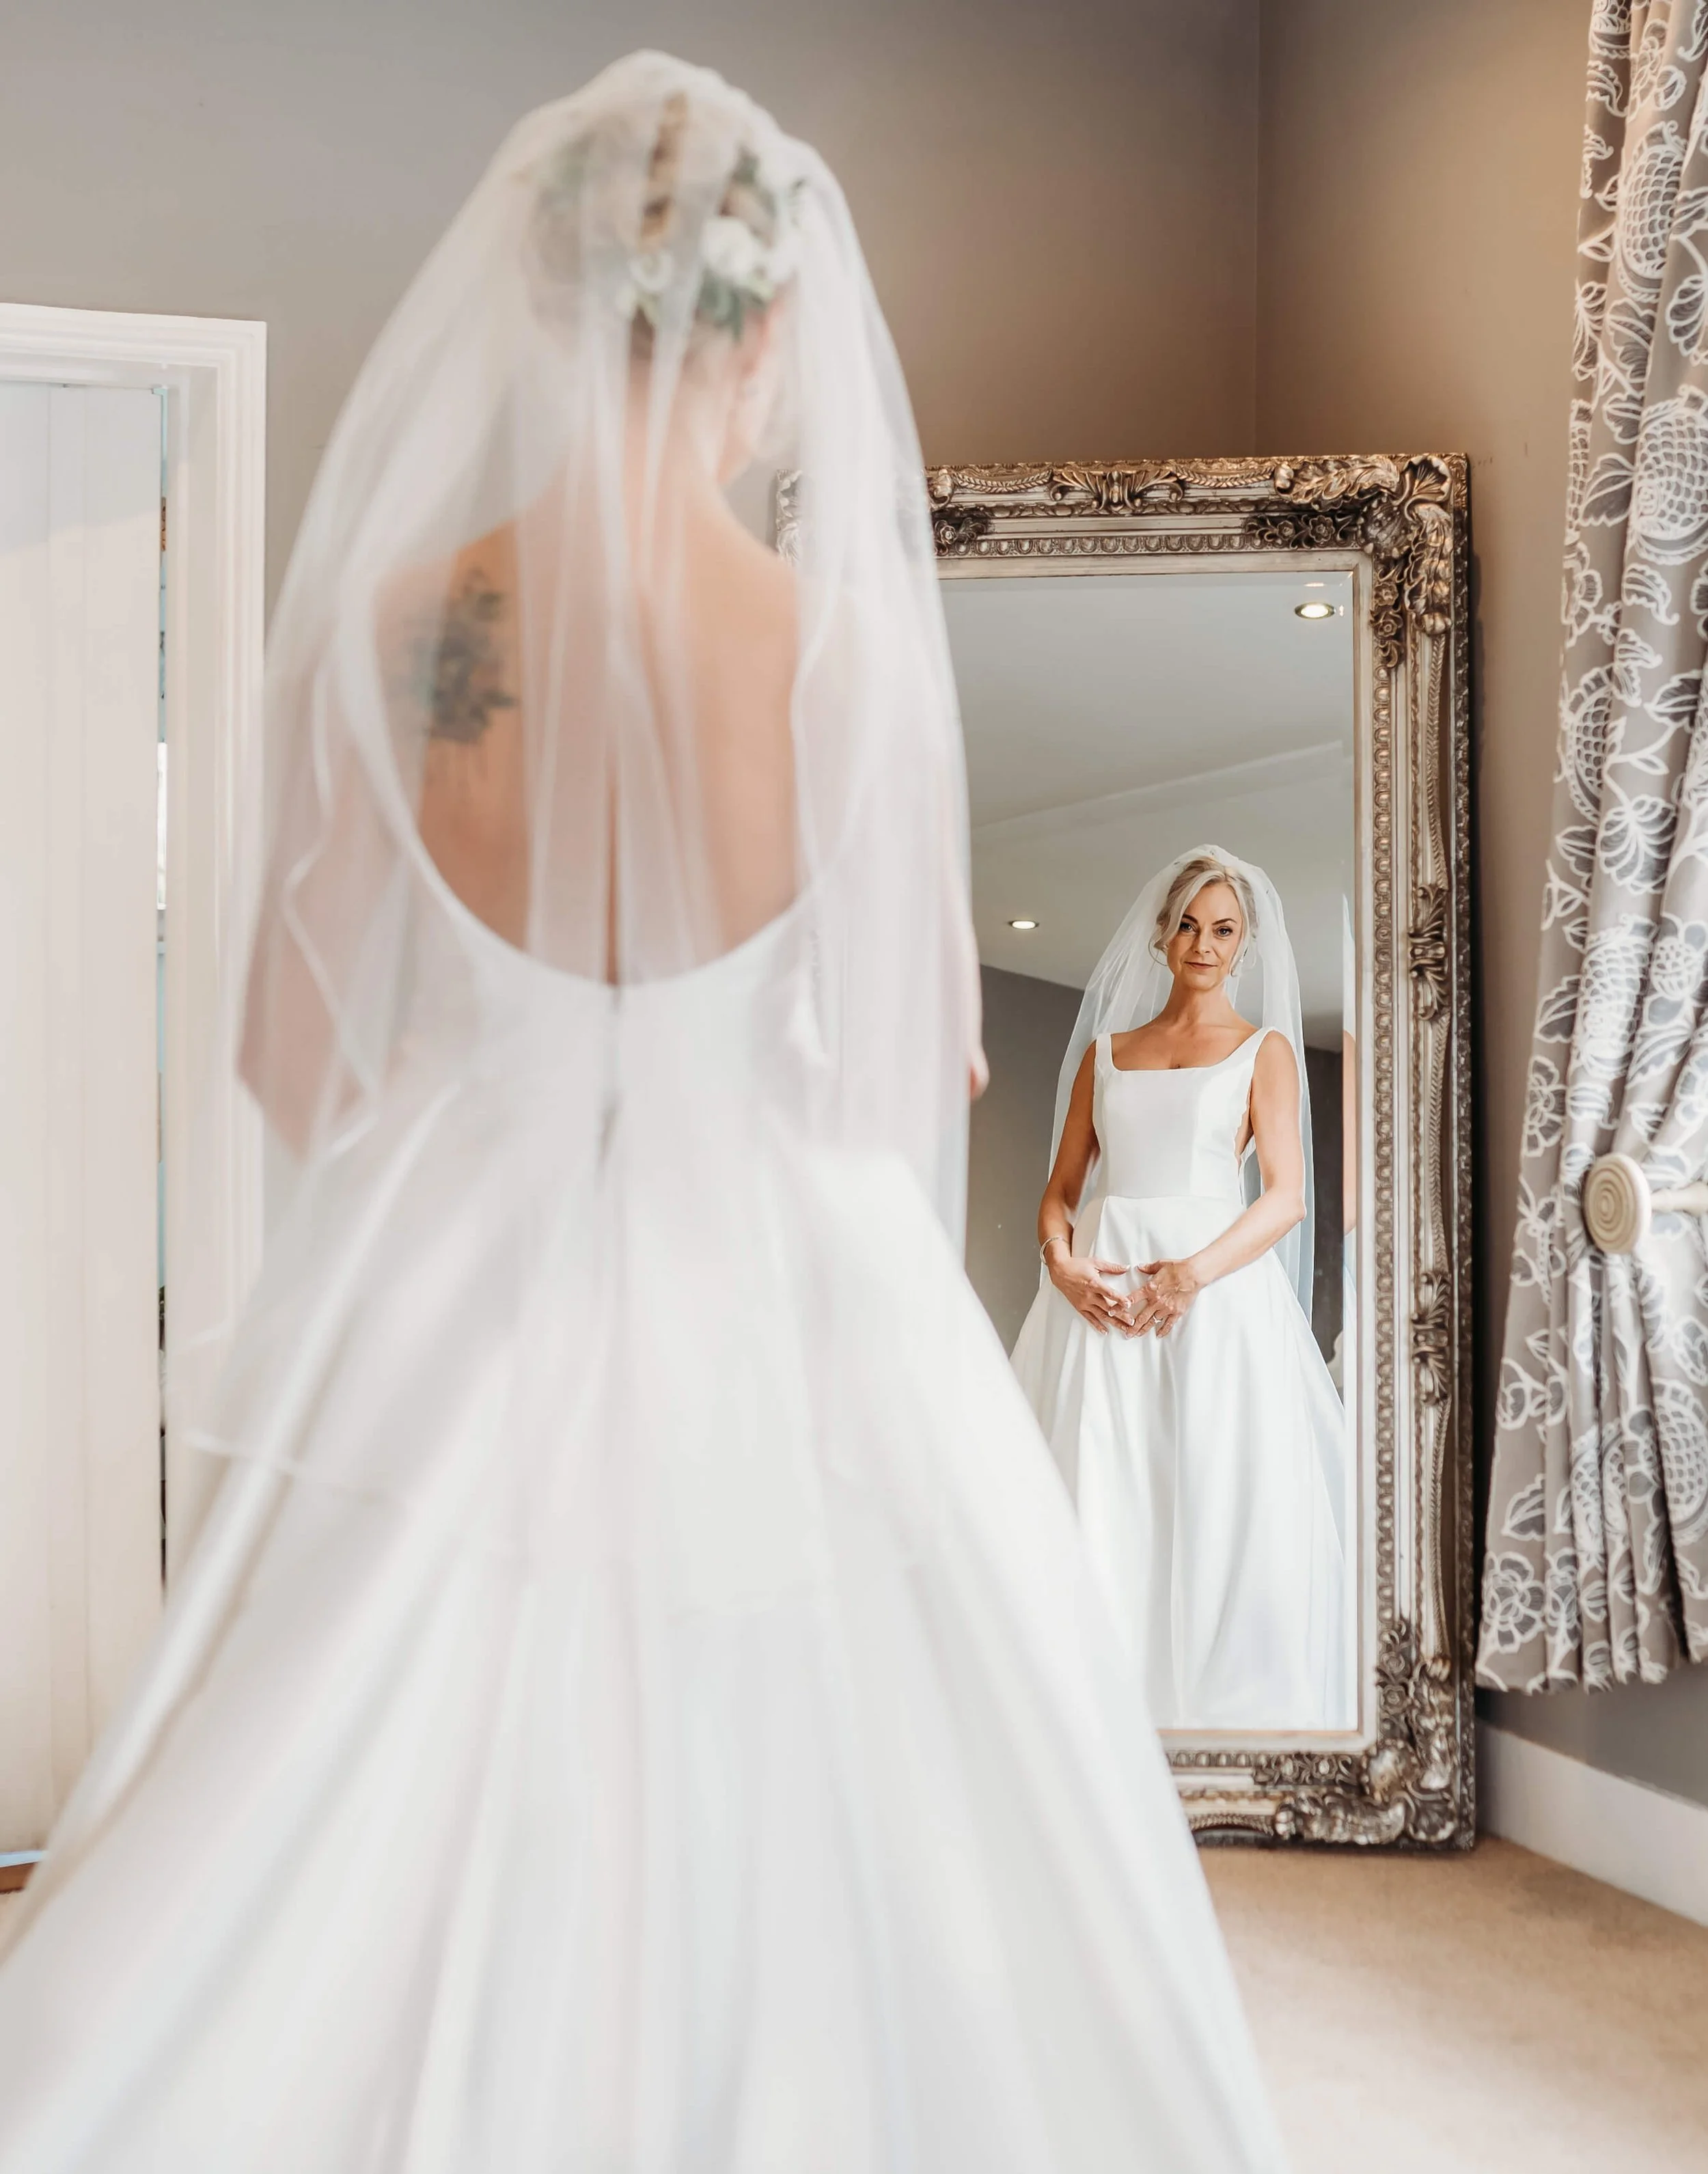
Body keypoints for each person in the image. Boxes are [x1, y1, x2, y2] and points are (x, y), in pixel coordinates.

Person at [0, 61, 1287, 2173]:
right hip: (770, 1287)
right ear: (772, 338)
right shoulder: (833, 658)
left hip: (463, 1288)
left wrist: (495, 1061)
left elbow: (289, 1054)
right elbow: (906, 1079)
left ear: (532, 289)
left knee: (357, 1771)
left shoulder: (419, 631)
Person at [1013, 848, 1351, 1732]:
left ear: (1246, 944)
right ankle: (1095, 1716)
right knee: (1104, 1487)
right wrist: (1062, 1261)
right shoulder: (1106, 1054)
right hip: (1103, 1293)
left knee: (1212, 1489)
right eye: (1191, 924)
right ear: (1162, 934)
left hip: (1215, 1297)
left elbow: (1284, 1197)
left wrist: (1192, 1275)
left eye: (1224, 928)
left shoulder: (1263, 1051)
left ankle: (1216, 1719)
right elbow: (1060, 1190)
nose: (1205, 943)